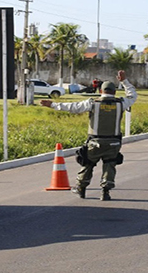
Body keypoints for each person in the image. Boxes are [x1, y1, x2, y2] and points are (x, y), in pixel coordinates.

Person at [40, 70, 137, 201]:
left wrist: (53, 105)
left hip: (95, 142)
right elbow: (132, 96)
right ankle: (106, 191)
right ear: (114, 92)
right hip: (113, 142)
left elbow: (73, 107)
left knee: (88, 164)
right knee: (110, 165)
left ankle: (81, 188)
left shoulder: (93, 103)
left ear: (101, 91)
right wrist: (124, 81)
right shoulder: (121, 103)